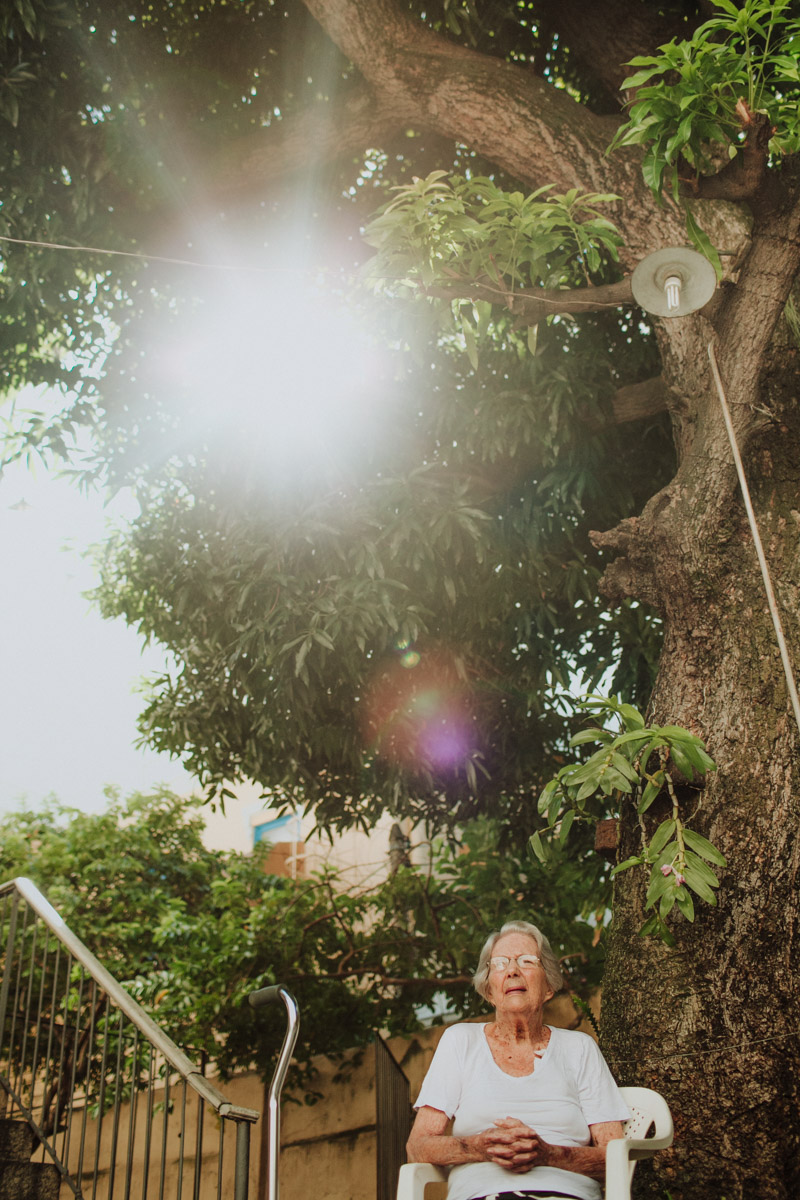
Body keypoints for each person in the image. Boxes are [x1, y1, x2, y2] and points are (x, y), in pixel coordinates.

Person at [406, 921, 630, 1200]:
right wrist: (479, 1147)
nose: (512, 970)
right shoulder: (460, 1042)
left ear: (548, 985)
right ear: (490, 991)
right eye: (499, 964)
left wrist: (548, 1154)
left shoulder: (579, 1049)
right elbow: (417, 1146)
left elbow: (616, 1158)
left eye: (526, 961)